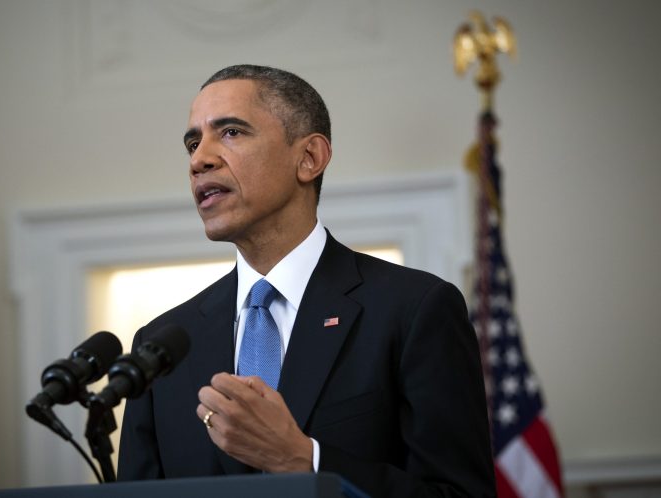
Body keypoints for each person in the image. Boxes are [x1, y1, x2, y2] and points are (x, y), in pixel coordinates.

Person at [117, 64, 496, 497]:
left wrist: (304, 459)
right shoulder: (164, 345)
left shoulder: (414, 310)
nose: (199, 159)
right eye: (192, 142)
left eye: (231, 133)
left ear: (309, 158)